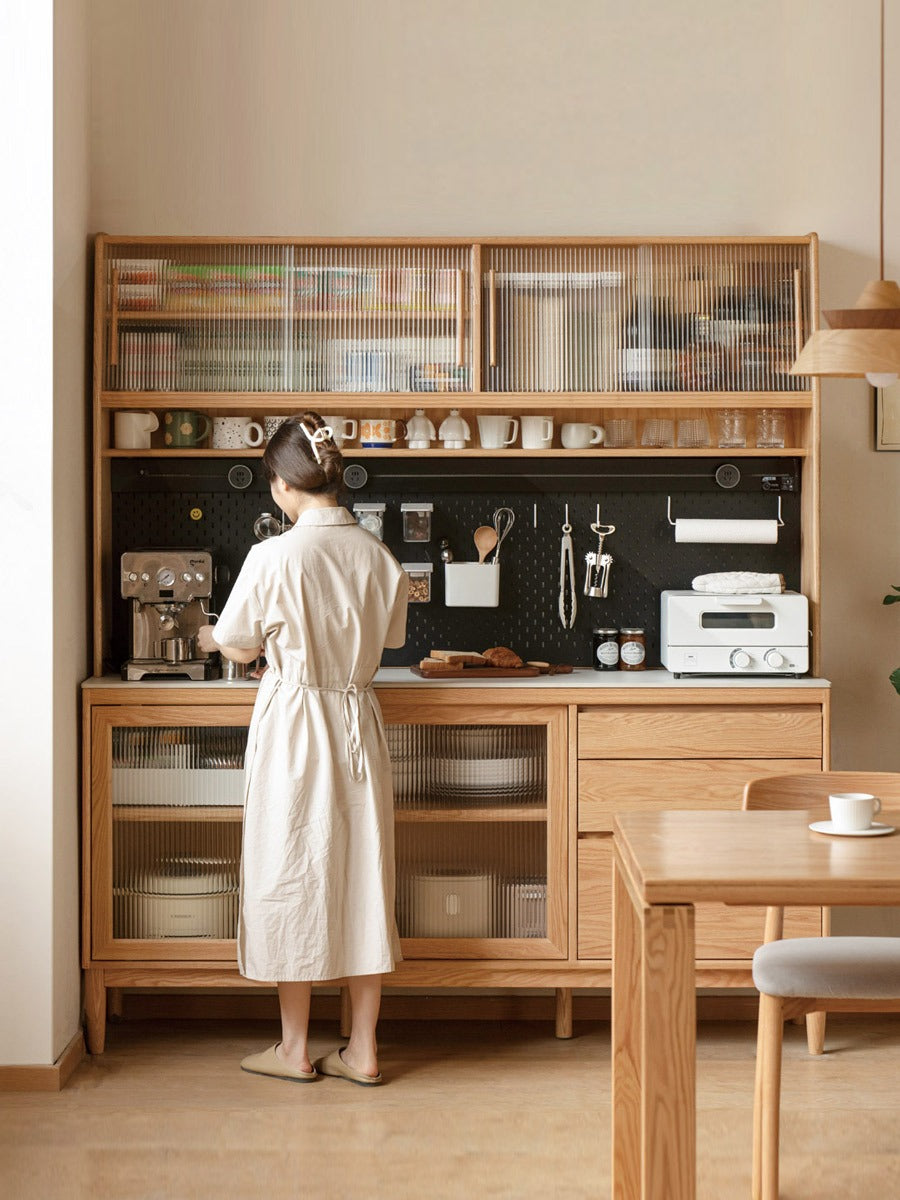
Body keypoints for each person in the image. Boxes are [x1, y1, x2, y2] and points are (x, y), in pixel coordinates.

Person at [198, 412, 408, 1086]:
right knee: (362, 877)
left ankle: (293, 1049)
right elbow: (393, 638)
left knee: (291, 871)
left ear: (285, 485)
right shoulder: (378, 555)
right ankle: (364, 1049)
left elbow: (235, 642)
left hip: (295, 726)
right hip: (355, 720)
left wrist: (214, 641)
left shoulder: (273, 556)